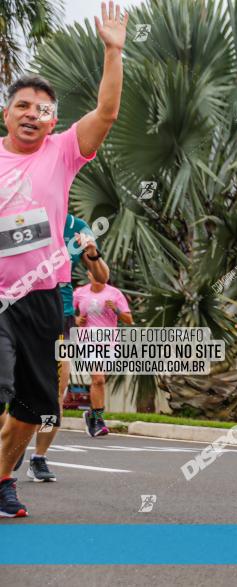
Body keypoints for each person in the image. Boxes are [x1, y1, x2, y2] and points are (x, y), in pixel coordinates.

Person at [0, 1, 127, 518]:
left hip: (43, 296)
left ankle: (3, 478)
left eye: (44, 108)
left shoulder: (62, 151)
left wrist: (113, 51)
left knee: (32, 405)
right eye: (24, 105)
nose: (34, 114)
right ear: (7, 111)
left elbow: (107, 113)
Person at [21, 215, 110, 482]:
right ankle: (9, 448)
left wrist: (92, 254)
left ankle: (38, 457)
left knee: (57, 390)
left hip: (63, 315)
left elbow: (102, 276)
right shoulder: (24, 219)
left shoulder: (76, 226)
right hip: (23, 310)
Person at [73, 270, 132, 437]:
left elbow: (129, 319)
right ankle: (99, 420)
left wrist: (116, 311)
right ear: (88, 274)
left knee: (100, 381)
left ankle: (92, 414)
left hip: (109, 343)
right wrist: (76, 320)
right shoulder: (80, 293)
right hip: (87, 341)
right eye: (93, 272)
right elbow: (66, 311)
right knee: (98, 378)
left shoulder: (114, 293)